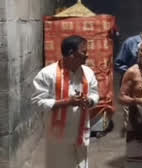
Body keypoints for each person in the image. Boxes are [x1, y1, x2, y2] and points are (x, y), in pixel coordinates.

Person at [31, 36, 100, 168]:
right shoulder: (47, 74)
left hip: (81, 132)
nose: (87, 55)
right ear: (71, 54)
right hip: (58, 137)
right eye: (84, 52)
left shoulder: (88, 72)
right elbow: (37, 102)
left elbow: (95, 94)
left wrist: (89, 101)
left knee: (81, 165)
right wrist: (67, 102)